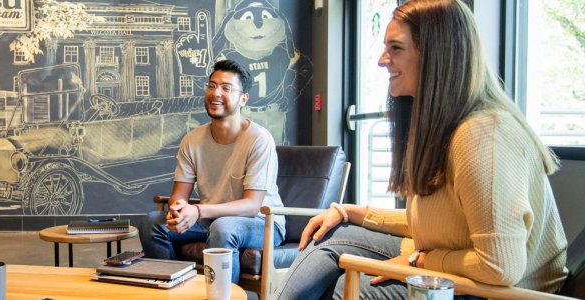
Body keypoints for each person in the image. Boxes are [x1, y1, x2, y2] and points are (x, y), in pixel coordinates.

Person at [274, 0, 568, 299]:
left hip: (506, 291)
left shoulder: (483, 135)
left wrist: (421, 261)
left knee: (348, 290)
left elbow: (499, 267)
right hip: (467, 266)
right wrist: (350, 212)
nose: (381, 60)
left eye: (396, 48)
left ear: (436, 54)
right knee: (330, 236)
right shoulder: (449, 126)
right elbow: (441, 226)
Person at [138, 59, 285, 284]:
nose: (216, 93)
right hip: (212, 219)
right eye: (212, 85)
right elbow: (180, 193)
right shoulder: (192, 140)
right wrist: (178, 210)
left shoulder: (259, 139)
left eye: (226, 88)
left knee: (224, 227)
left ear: (243, 99)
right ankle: (177, 291)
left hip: (261, 222)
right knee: (152, 223)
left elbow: (252, 205)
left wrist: (197, 211)